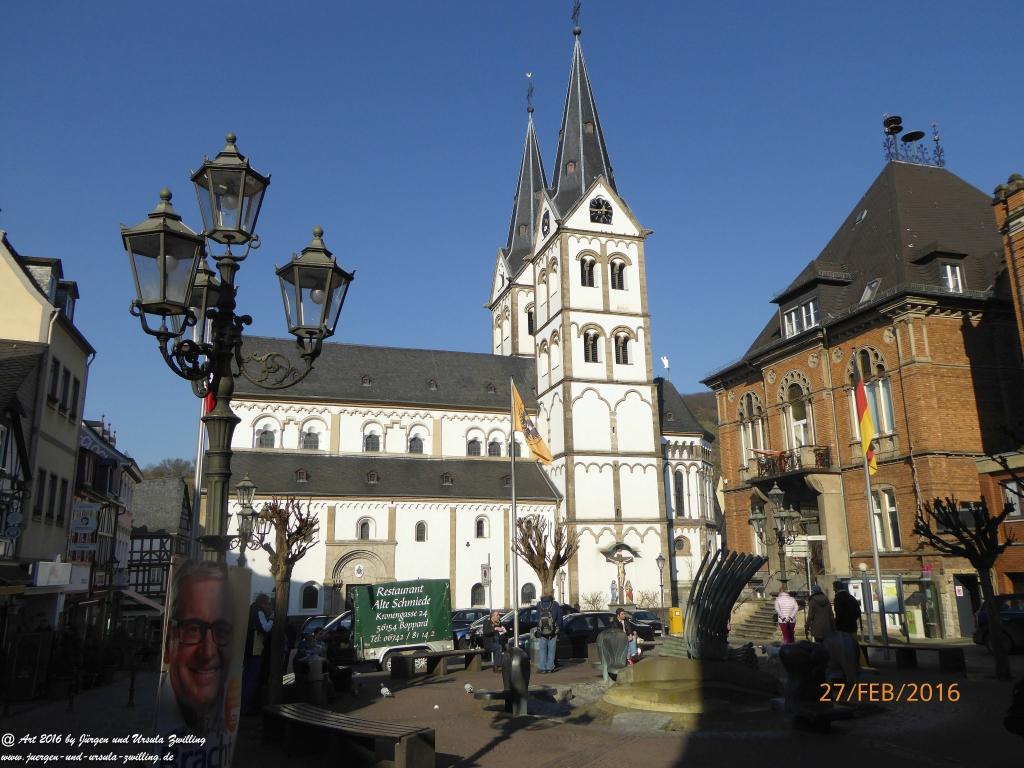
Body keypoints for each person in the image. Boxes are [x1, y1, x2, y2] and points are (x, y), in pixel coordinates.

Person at [157, 560, 234, 767]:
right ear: (167, 644)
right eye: (192, 629)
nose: (208, 652)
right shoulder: (143, 728)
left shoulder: (229, 719)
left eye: (221, 630)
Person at [242, 594, 273, 715]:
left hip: (248, 650)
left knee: (247, 678)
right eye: (267, 604)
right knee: (251, 680)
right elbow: (264, 628)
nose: (268, 606)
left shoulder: (250, 610)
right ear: (263, 603)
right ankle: (247, 707)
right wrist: (271, 619)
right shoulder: (258, 612)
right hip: (254, 650)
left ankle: (244, 705)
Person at [833, 580, 867, 665]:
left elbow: (839, 613)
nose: (833, 590)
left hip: (843, 628)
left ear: (836, 588)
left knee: (844, 647)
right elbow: (858, 612)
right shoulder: (851, 597)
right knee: (854, 645)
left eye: (834, 588)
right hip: (852, 626)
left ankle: (847, 663)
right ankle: (859, 662)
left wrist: (837, 623)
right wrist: (851, 619)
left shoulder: (838, 598)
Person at [535, 592, 562, 674]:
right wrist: (559, 628)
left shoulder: (539, 604)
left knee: (542, 650)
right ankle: (550, 667)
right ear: (551, 596)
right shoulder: (555, 604)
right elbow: (559, 618)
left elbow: (537, 618)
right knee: (551, 650)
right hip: (553, 631)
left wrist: (538, 629)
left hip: (542, 631)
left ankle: (542, 668)